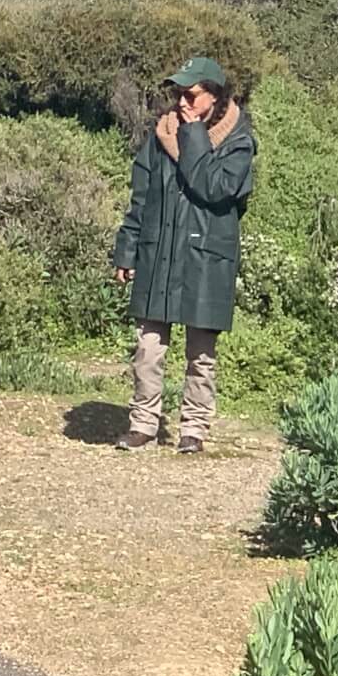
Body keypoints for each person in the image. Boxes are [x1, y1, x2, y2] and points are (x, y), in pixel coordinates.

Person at [111, 56, 256, 454]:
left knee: (201, 354)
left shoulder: (238, 142)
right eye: (178, 94)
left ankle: (193, 429)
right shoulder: (159, 136)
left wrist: (192, 135)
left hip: (207, 257)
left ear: (214, 95)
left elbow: (213, 187)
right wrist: (127, 250)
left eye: (190, 94)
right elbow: (140, 198)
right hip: (160, 252)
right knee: (147, 347)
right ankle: (143, 425)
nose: (182, 103)